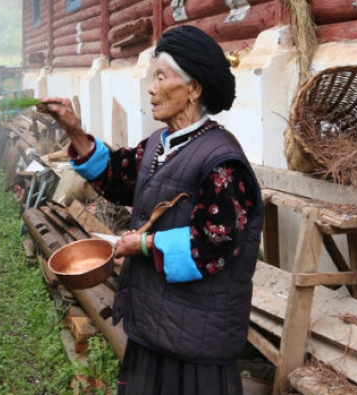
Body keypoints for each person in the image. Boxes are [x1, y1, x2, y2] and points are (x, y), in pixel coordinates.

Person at [40, 25, 263, 395]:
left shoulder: (223, 163)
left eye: (161, 77)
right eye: (151, 77)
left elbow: (213, 246)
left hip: (196, 341)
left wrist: (141, 245)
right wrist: (75, 130)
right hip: (154, 326)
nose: (150, 88)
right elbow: (116, 175)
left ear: (194, 89)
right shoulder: (160, 144)